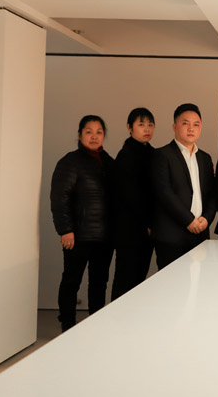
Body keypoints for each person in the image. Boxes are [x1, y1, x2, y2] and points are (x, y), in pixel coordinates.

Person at [50, 115, 114, 332]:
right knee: (71, 281)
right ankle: (67, 325)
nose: (94, 136)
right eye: (89, 132)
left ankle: (95, 324)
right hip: (77, 235)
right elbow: (59, 199)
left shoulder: (109, 162)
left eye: (99, 132)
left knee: (99, 282)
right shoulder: (70, 162)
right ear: (79, 135)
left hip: (104, 236)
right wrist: (65, 230)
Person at [151, 103, 216, 269]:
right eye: (185, 123)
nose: (191, 128)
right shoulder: (161, 155)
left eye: (196, 124)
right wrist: (189, 220)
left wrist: (206, 219)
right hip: (172, 236)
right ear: (174, 126)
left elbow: (212, 194)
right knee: (171, 282)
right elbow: (164, 193)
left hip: (200, 234)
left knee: (200, 281)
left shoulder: (205, 158)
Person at [111, 108, 156, 300]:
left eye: (150, 125)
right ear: (130, 127)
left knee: (139, 278)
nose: (147, 129)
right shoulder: (126, 155)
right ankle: (116, 315)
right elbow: (131, 195)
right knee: (126, 278)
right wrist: (148, 223)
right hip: (129, 229)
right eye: (141, 124)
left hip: (147, 229)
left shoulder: (153, 154)